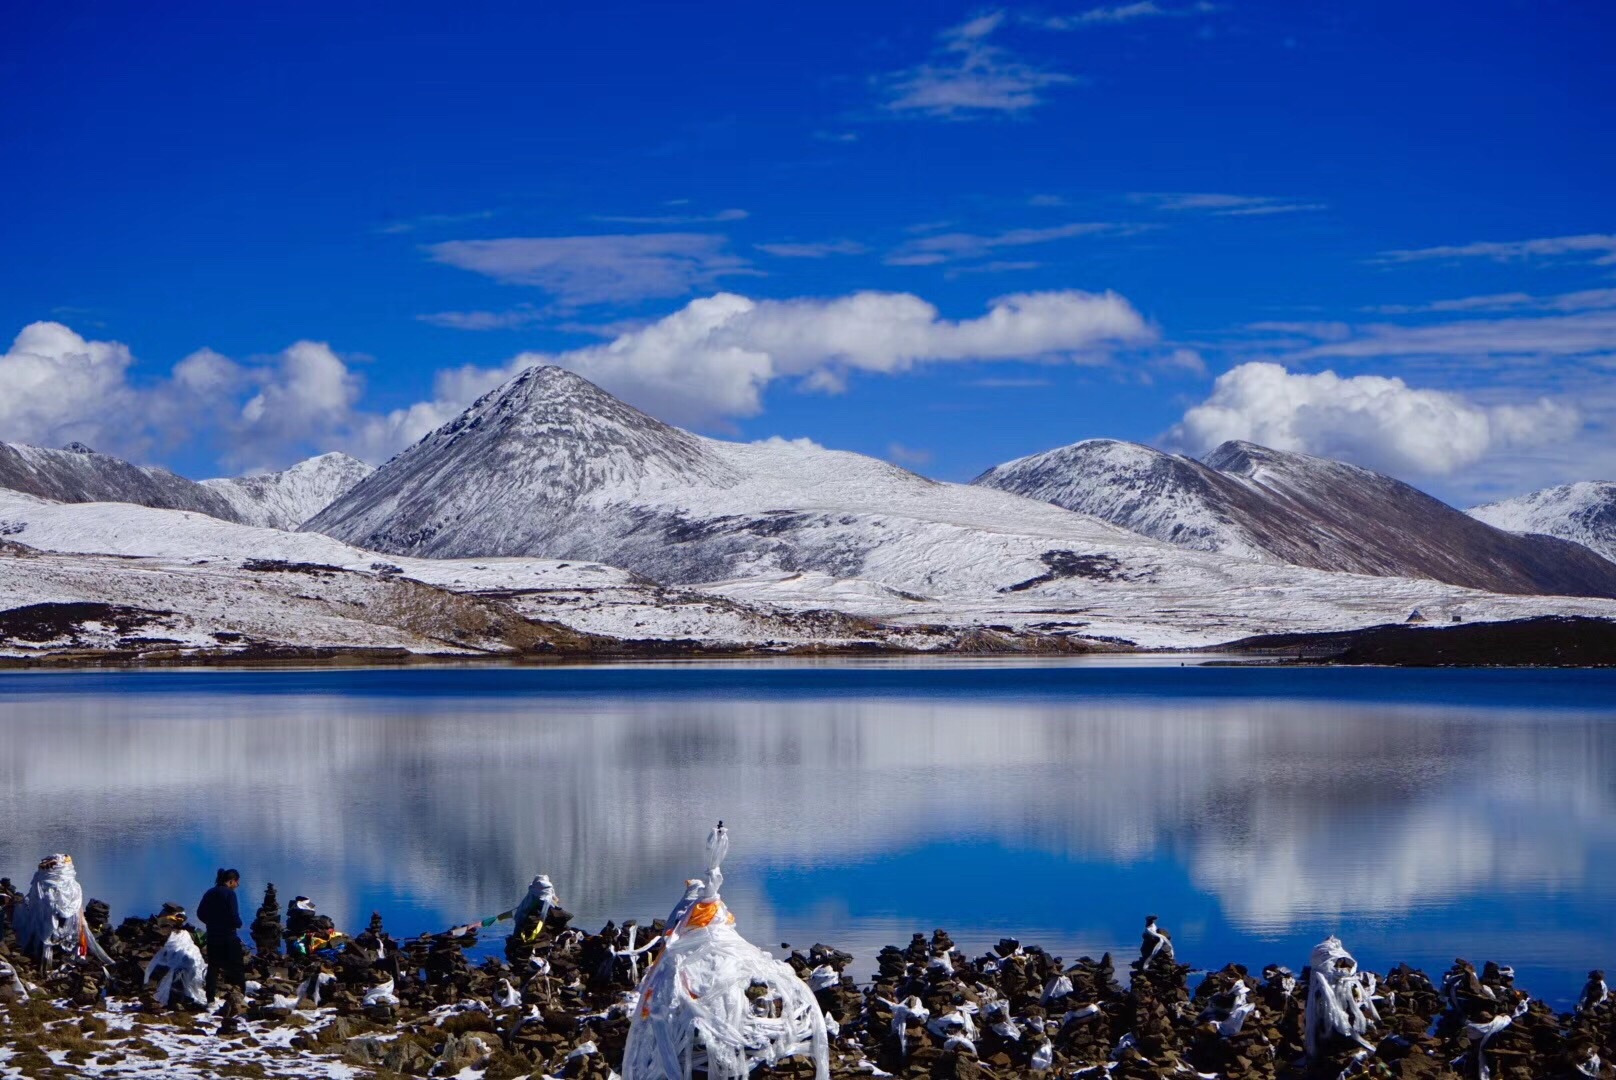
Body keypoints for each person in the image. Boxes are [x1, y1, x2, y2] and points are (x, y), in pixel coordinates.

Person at [197, 868, 245, 1003]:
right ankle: (241, 997)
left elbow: (200, 913)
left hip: (212, 936)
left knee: (213, 967)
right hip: (229, 936)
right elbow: (234, 915)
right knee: (237, 967)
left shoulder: (209, 893)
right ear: (231, 881)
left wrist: (211, 923)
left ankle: (210, 1000)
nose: (238, 885)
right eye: (237, 882)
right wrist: (238, 924)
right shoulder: (230, 894)